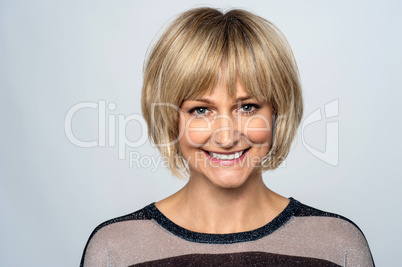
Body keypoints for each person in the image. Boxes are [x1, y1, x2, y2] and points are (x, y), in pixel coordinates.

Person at [80, 7, 375, 266]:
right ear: (171, 120)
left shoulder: (336, 247)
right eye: (200, 111)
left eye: (247, 107)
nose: (226, 137)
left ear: (277, 112)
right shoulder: (116, 251)